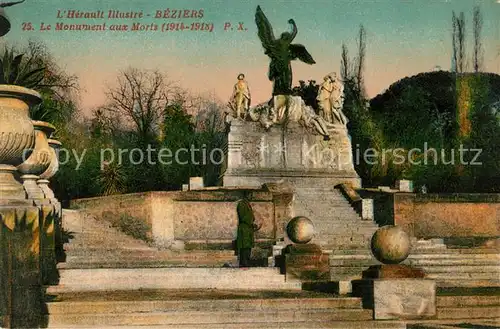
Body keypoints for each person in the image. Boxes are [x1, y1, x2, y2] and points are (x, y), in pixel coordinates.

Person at [236, 191, 260, 267]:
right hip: (244, 229)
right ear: (246, 195)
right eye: (250, 194)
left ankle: (246, 262)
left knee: (248, 246)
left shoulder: (247, 204)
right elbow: (243, 217)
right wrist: (251, 223)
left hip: (248, 228)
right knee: (244, 246)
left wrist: (252, 224)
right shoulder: (241, 204)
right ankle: (244, 262)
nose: (252, 196)